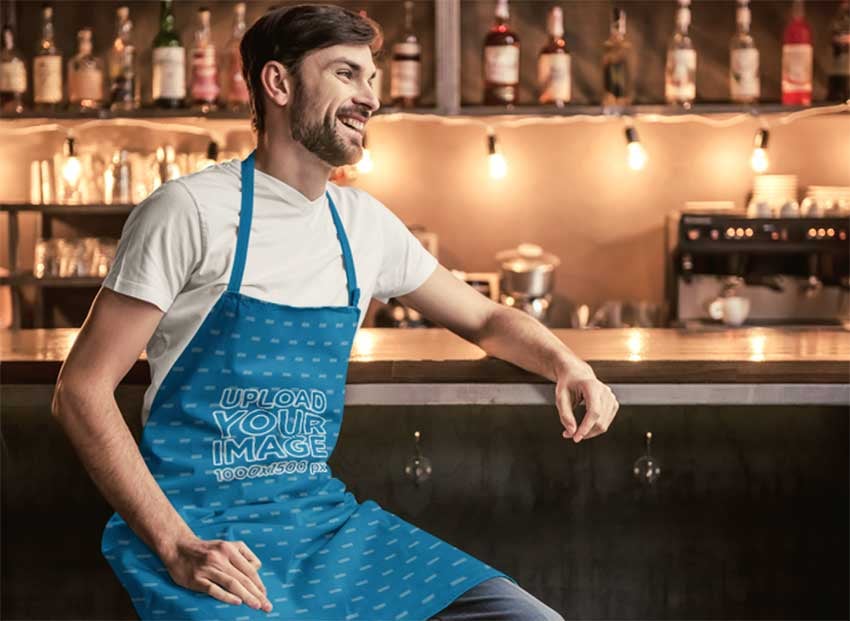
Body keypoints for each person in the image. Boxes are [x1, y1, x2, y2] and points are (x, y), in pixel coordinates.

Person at [51, 5, 619, 620]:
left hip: (323, 526)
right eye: (346, 73)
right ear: (278, 83)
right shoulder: (189, 211)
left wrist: (566, 362)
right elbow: (81, 391)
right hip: (202, 533)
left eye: (371, 78)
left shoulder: (363, 224)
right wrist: (173, 543)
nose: (369, 97)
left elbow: (485, 320)